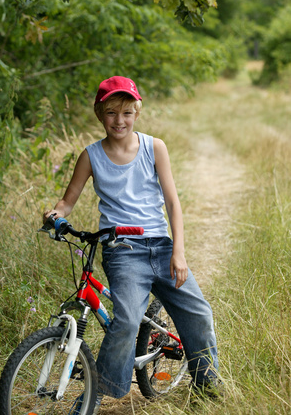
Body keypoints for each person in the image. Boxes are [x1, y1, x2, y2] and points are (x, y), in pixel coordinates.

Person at [43, 76, 219, 413]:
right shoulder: (91, 156)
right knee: (125, 319)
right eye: (111, 113)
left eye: (126, 112)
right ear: (99, 114)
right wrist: (56, 213)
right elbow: (68, 201)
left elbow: (172, 202)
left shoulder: (155, 147)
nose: (119, 120)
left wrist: (178, 253)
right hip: (122, 251)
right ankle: (99, 392)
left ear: (137, 112)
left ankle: (208, 384)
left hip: (162, 248)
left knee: (199, 312)